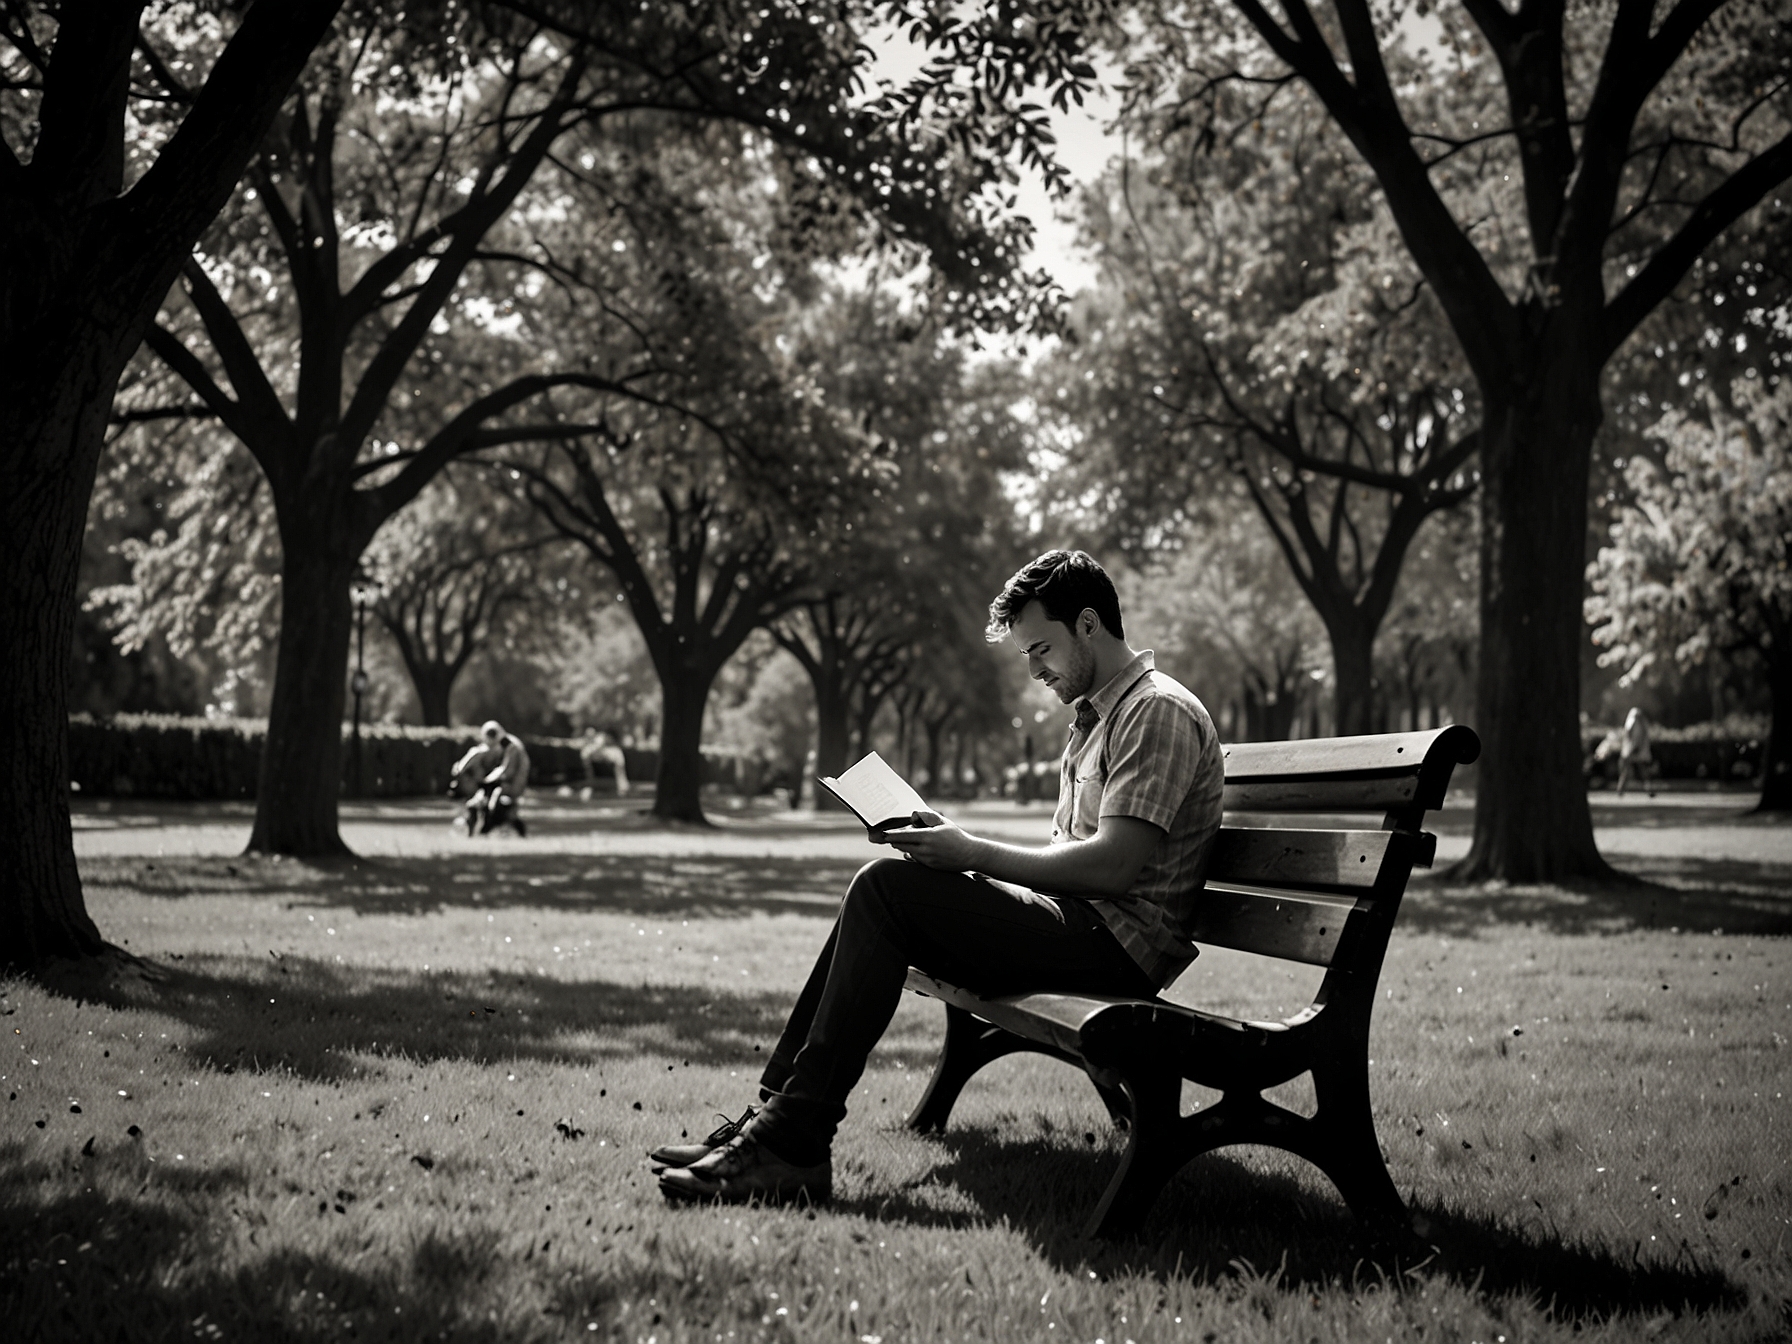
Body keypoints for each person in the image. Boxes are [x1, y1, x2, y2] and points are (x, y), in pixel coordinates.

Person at [651, 549, 1226, 1206]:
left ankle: (791, 1140)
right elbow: (1073, 862)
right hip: (1082, 929)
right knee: (889, 888)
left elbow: (1114, 866)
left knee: (885, 892)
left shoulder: (1155, 712)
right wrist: (945, 843)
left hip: (1116, 951)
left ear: (1089, 624)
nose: (1035, 670)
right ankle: (779, 1120)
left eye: (1041, 649)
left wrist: (972, 855)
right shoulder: (1096, 718)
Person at [474, 719, 531, 836]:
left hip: (515, 783)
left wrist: (489, 779)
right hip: (516, 781)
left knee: (492, 800)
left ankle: (487, 825)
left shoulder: (510, 745)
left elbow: (508, 769)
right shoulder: (509, 743)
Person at [1617, 706, 1655, 797]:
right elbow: (1636, 736)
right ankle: (1648, 789)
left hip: (1633, 750)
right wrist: (1635, 747)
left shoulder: (1633, 721)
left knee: (1631, 770)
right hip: (1635, 750)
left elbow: (1630, 734)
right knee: (1640, 771)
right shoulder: (1637, 721)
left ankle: (1621, 789)